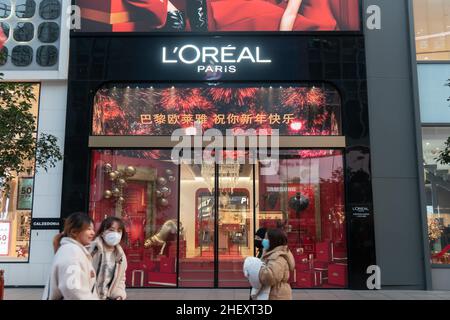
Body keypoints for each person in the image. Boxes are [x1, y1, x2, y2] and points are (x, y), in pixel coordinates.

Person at [43, 212, 99, 300]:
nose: (93, 233)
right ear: (74, 232)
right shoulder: (72, 252)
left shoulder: (73, 250)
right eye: (89, 229)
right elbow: (74, 290)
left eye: (93, 229)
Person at [208, 0, 338, 32]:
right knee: (258, 8)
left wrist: (283, 41)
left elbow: (291, 12)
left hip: (315, 24)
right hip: (299, 13)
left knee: (260, 12)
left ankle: (216, 19)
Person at [89, 216, 128, 300]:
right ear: (102, 232)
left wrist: (119, 295)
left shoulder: (120, 255)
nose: (115, 234)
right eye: (111, 230)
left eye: (119, 231)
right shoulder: (92, 249)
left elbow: (120, 279)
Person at [259, 228, 295, 300]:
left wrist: (256, 270)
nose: (264, 240)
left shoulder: (277, 257)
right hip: (273, 293)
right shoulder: (270, 253)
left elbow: (270, 277)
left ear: (273, 241)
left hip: (276, 295)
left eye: (266, 238)